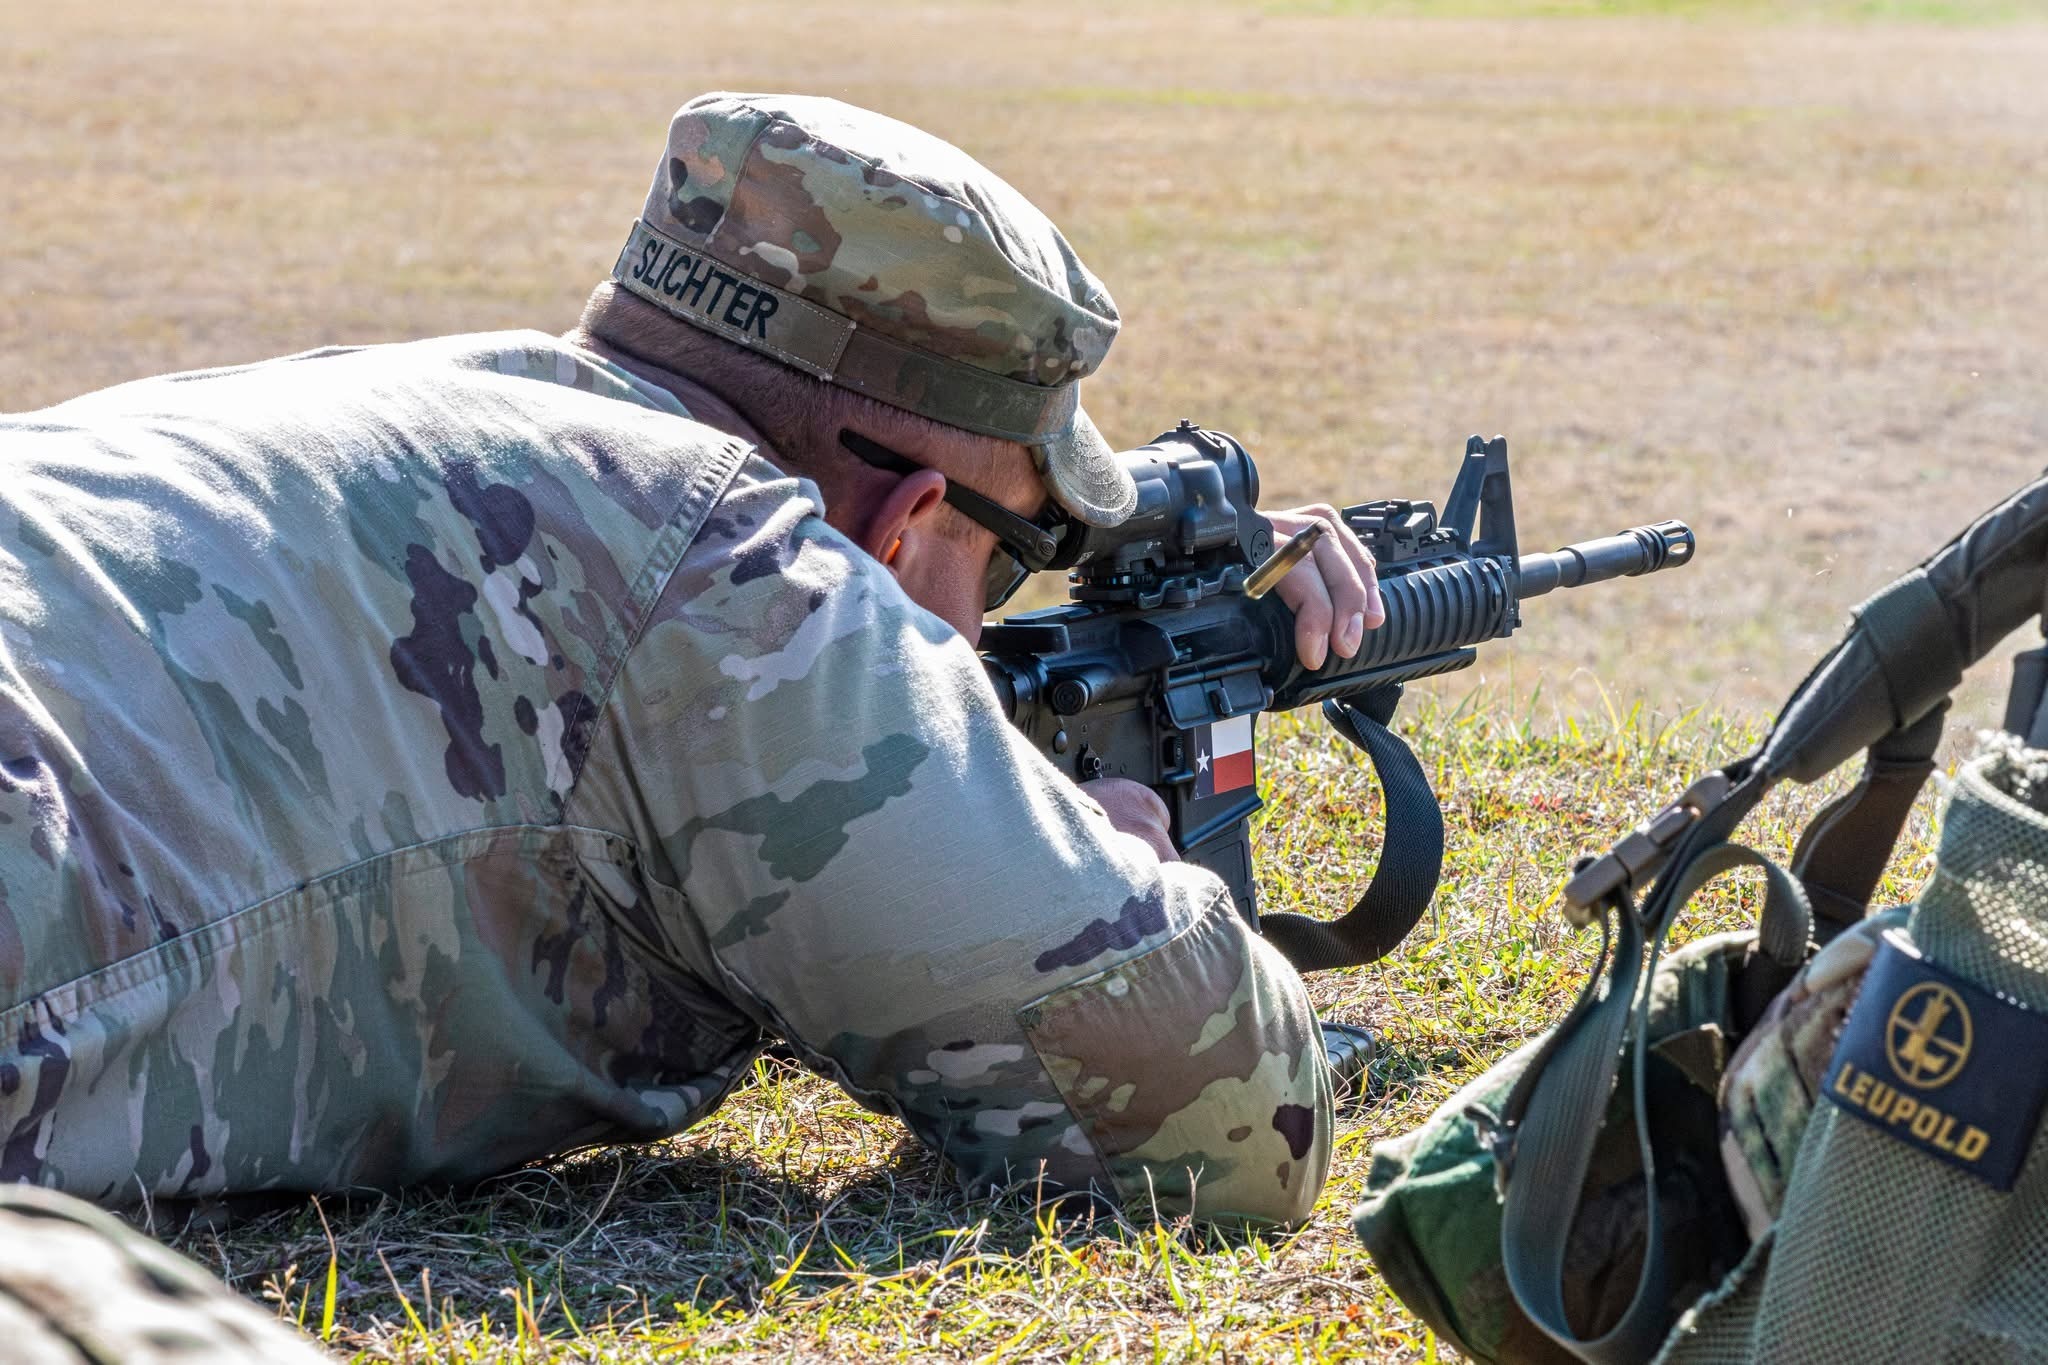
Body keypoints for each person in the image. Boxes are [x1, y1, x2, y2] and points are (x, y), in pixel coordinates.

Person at [0, 93, 1382, 1227]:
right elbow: (1235, 1121)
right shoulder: (737, 572)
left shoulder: (419, 394)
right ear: (902, 532)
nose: (993, 612)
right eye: (1013, 555)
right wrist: (1128, 853)